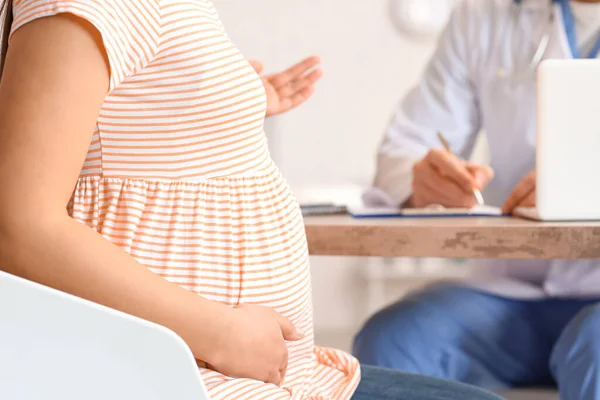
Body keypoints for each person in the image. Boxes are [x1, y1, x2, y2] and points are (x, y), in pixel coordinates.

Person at [0, 1, 503, 399]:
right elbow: (19, 226)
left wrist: (234, 96)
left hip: (251, 373)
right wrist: (219, 333)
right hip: (190, 373)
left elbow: (132, 119)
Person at [353, 0, 600, 399]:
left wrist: (586, 186)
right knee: (392, 341)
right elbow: (409, 144)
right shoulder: (484, 14)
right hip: (508, 291)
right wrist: (422, 181)